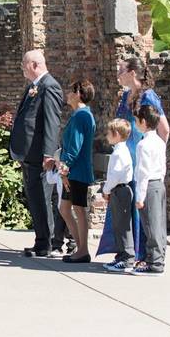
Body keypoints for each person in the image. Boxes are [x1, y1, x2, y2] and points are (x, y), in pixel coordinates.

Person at [96, 56, 168, 260]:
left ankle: (143, 255)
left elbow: (165, 129)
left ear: (132, 73)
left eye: (121, 71)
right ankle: (125, 252)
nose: (118, 75)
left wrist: (155, 158)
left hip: (140, 160)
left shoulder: (149, 97)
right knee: (121, 208)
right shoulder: (126, 96)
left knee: (140, 208)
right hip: (124, 161)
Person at [9, 49, 63, 257]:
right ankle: (41, 240)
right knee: (35, 198)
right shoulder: (34, 86)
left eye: (24, 64)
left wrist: (48, 154)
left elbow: (52, 122)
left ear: (34, 65)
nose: (22, 68)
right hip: (29, 154)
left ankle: (48, 242)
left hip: (40, 154)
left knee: (41, 197)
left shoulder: (49, 87)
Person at [56, 80, 96, 263]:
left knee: (79, 209)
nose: (68, 94)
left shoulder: (81, 116)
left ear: (79, 93)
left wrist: (65, 167)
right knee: (65, 208)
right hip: (74, 170)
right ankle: (81, 248)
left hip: (77, 171)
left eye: (72, 91)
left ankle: (83, 250)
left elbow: (75, 145)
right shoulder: (81, 115)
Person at [134, 104, 167, 276]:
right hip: (158, 184)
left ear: (143, 122)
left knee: (150, 225)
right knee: (159, 224)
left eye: (137, 120)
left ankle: (154, 263)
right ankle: (158, 258)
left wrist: (140, 196)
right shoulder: (160, 141)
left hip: (149, 185)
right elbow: (162, 167)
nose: (135, 124)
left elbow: (142, 172)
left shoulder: (143, 144)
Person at [101, 119, 136, 274]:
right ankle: (121, 254)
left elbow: (115, 175)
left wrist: (106, 190)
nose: (107, 136)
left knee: (122, 225)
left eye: (109, 133)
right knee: (118, 224)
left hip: (120, 190)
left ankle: (127, 257)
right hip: (118, 190)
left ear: (116, 134)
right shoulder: (119, 150)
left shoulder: (119, 153)